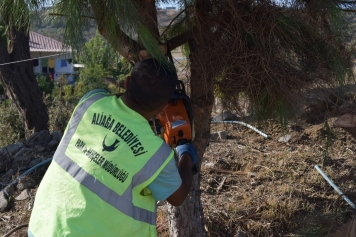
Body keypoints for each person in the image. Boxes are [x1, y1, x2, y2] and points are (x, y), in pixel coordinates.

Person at [28, 58, 198, 237]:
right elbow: (178, 197)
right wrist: (185, 153)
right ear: (163, 106)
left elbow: (114, 102)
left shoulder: (90, 102)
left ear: (126, 83)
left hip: (44, 225)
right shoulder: (156, 153)